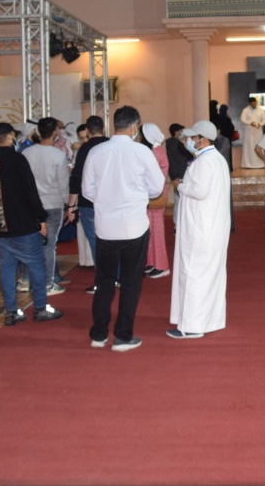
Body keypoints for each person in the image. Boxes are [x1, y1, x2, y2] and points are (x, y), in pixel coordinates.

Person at [83, 106, 165, 351]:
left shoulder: (97, 151)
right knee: (130, 283)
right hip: (133, 226)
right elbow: (156, 187)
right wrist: (135, 196)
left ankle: (98, 335)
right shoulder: (141, 151)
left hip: (105, 227)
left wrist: (107, 200)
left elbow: (87, 190)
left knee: (104, 282)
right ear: (134, 127)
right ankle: (122, 336)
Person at [0, 122, 62, 326]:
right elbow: (30, 191)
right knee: (36, 264)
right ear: (10, 137)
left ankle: (12, 311)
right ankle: (40, 307)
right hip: (22, 224)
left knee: (7, 266)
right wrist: (40, 218)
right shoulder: (17, 159)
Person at [169, 120, 231, 339]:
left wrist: (179, 185)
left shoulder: (204, 162)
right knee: (209, 276)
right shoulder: (217, 159)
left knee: (193, 274)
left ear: (203, 140)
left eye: (192, 137)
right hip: (212, 227)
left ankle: (192, 326)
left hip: (200, 229)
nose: (187, 141)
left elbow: (199, 191)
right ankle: (208, 320)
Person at [23, 117, 71, 294]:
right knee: (49, 245)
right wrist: (68, 204)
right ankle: (48, 283)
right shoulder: (58, 155)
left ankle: (26, 280)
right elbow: (63, 183)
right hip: (53, 204)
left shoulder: (27, 153)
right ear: (55, 134)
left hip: (31, 205)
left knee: (30, 244)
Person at [69, 115, 109, 292]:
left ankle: (102, 280)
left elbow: (77, 178)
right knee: (112, 239)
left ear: (87, 130)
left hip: (88, 202)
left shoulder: (85, 149)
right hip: (110, 200)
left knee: (95, 241)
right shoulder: (111, 145)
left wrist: (71, 205)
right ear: (104, 128)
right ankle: (116, 276)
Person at [141, 122, 171, 279]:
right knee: (152, 230)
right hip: (154, 194)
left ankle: (161, 265)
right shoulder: (157, 150)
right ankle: (152, 262)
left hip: (155, 195)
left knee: (156, 232)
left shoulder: (155, 152)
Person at [165, 123, 195, 222]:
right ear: (176, 132)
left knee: (177, 199)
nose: (182, 133)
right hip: (181, 174)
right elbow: (188, 157)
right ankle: (180, 223)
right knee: (181, 200)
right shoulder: (178, 144)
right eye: (181, 131)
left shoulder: (168, 143)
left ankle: (176, 223)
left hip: (174, 174)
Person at [239, 97, 265, 168]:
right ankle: (248, 164)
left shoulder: (261, 110)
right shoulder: (245, 110)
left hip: (258, 132)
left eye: (254, 103)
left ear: (256, 102)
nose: (253, 104)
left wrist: (260, 124)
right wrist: (250, 123)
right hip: (249, 133)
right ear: (249, 103)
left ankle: (260, 164)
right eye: (252, 103)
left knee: (259, 146)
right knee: (249, 147)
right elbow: (242, 119)